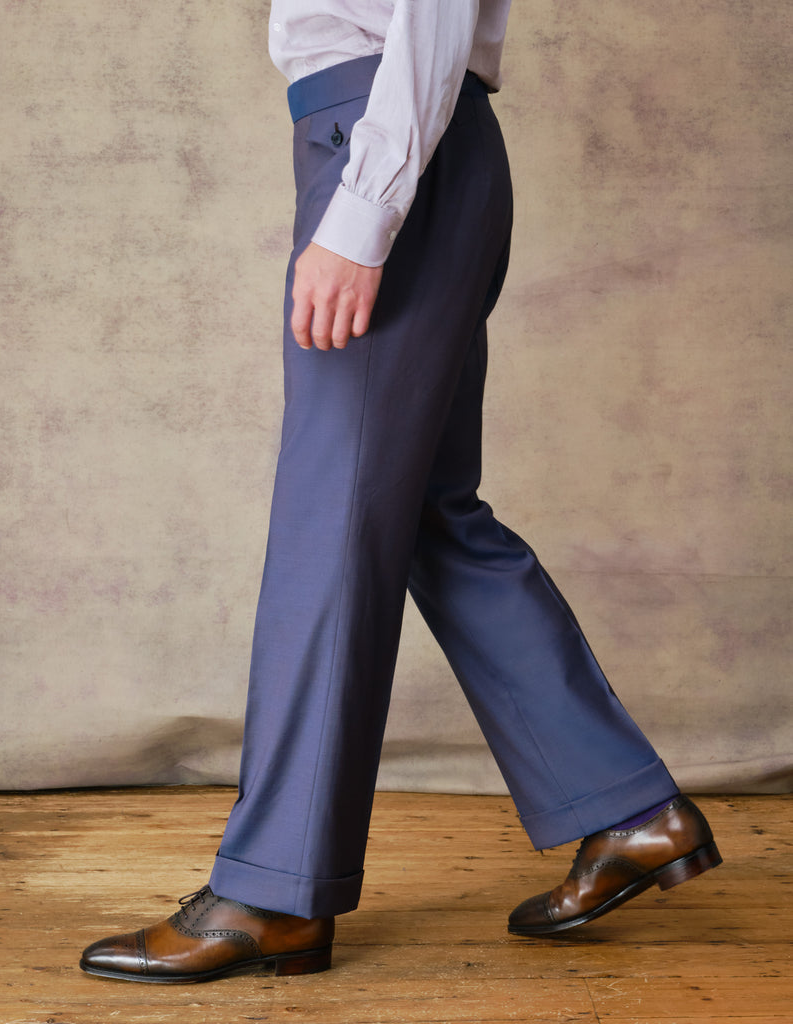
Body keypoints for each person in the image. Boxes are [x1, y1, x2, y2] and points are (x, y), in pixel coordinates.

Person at [80, 1, 721, 984]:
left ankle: (273, 893)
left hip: (383, 135)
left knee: (330, 524)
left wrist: (364, 209)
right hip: (407, 137)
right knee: (427, 515)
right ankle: (628, 809)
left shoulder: (379, 163)